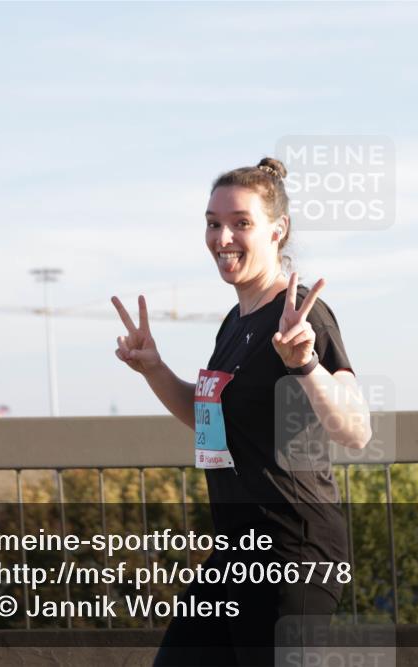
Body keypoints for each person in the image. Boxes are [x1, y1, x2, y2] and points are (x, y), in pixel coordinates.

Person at [111, 157, 372, 665]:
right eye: (213, 223)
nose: (222, 237)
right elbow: (214, 422)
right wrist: (154, 369)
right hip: (235, 558)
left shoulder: (301, 314)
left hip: (292, 556)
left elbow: (356, 430)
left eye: (240, 223)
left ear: (279, 231)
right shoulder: (235, 322)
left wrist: (306, 364)